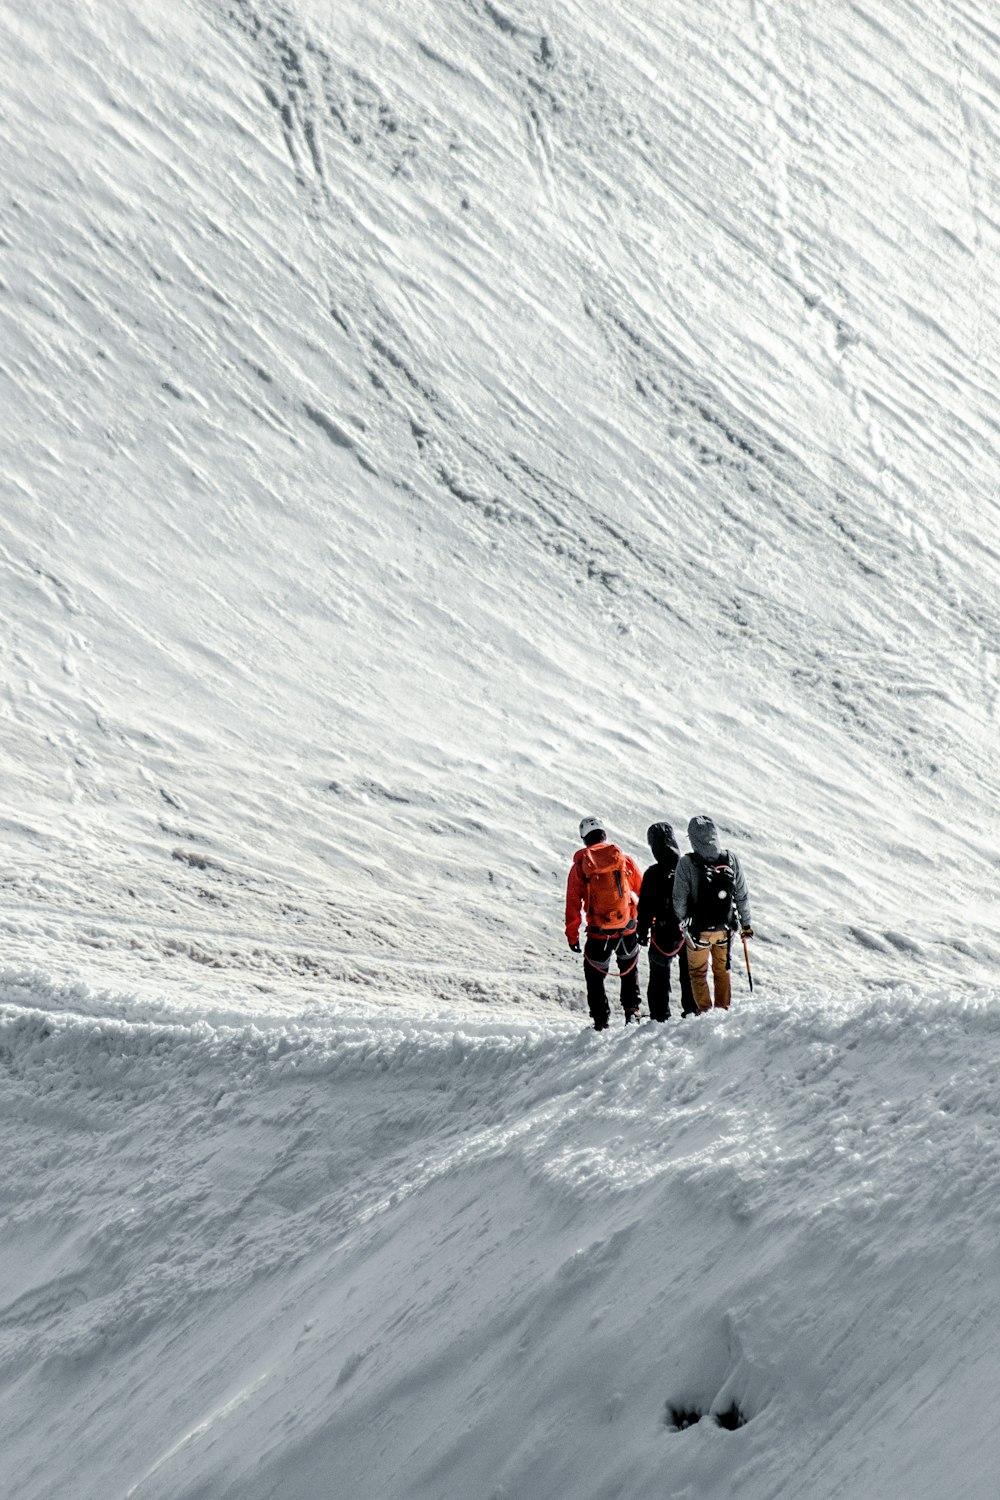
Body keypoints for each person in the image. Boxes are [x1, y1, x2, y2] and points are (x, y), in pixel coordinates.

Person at [565, 816, 643, 1030]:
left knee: (594, 976)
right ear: (604, 835)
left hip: (599, 932)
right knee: (629, 968)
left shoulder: (580, 867)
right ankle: (632, 1012)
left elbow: (572, 904)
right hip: (627, 928)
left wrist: (572, 936)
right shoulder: (623, 859)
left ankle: (601, 1021)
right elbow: (641, 890)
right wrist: (644, 922)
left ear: (584, 840)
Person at [672, 815, 753, 1012]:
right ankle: (723, 1009)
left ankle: (705, 1013)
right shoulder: (730, 858)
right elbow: (741, 895)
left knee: (698, 972)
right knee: (722, 970)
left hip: (698, 931)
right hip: (725, 928)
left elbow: (679, 899)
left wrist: (684, 922)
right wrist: (746, 924)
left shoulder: (687, 862)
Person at [636, 822, 695, 1020]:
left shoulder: (653, 873)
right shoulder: (687, 866)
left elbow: (644, 906)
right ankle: (692, 1011)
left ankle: (660, 1016)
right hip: (688, 931)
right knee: (689, 973)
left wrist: (642, 931)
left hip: (662, 933)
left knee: (659, 976)